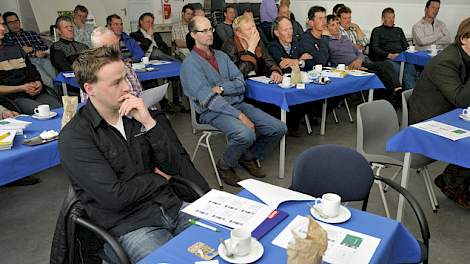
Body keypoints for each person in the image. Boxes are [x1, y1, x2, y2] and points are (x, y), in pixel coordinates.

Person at [60, 46, 210, 263]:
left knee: (228, 246)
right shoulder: (76, 137)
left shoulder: (137, 116)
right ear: (89, 89)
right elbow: (115, 197)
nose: (127, 87)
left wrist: (149, 123)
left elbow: (176, 168)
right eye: (116, 83)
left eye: (126, 78)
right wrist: (158, 179)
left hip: (172, 207)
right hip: (131, 226)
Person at [181, 16, 287, 186]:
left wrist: (221, 88)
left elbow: (240, 83)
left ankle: (248, 156)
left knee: (279, 128)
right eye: (204, 31)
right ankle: (225, 165)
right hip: (212, 112)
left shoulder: (222, 56)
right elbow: (208, 99)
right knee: (245, 133)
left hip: (236, 103)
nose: (210, 34)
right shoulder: (190, 65)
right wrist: (239, 115)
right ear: (193, 34)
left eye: (211, 29)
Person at [408, 18, 470, 208]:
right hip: (427, 123)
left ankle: (454, 179)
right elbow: (461, 99)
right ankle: (452, 181)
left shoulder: (463, 56)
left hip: (448, 113)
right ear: (464, 39)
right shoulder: (447, 61)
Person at [0, 14, 62, 115]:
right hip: (14, 97)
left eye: (2, 24)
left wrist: (38, 82)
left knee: (60, 109)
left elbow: (32, 70)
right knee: (44, 113)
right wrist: (22, 87)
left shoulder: (15, 48)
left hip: (34, 92)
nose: (2, 28)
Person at [325, 15, 400, 95]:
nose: (336, 27)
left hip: (360, 62)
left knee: (386, 64)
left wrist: (359, 60)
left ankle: (398, 89)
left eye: (337, 23)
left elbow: (359, 52)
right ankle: (391, 97)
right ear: (326, 28)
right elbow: (332, 60)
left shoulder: (345, 38)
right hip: (348, 68)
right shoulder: (327, 42)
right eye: (332, 25)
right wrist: (350, 66)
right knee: (378, 75)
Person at [268, 16, 315, 137]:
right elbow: (284, 67)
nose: (290, 32)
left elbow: (311, 62)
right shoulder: (273, 46)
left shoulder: (296, 42)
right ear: (277, 33)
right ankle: (289, 123)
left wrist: (296, 62)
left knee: (311, 95)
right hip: (283, 85)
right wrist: (299, 60)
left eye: (291, 28)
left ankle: (293, 122)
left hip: (298, 82)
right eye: (285, 30)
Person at [221, 15, 283, 83]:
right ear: (239, 33)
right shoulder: (229, 46)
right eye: (249, 29)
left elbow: (268, 60)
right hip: (239, 86)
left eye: (254, 27)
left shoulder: (258, 42)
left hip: (258, 82)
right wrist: (251, 50)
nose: (254, 31)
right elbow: (237, 74)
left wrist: (274, 71)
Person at [3, 11, 56, 88]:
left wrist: (32, 49)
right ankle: (56, 99)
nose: (14, 24)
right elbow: (13, 56)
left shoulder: (31, 33)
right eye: (10, 22)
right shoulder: (6, 38)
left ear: (19, 22)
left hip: (42, 59)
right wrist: (32, 52)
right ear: (6, 25)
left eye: (16, 21)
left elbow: (44, 47)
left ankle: (64, 97)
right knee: (47, 81)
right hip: (28, 62)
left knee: (57, 79)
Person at [370, 8, 417, 90]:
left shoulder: (398, 30)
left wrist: (410, 52)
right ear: (383, 18)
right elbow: (375, 48)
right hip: (388, 59)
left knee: (410, 68)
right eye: (389, 17)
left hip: (402, 58)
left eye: (393, 17)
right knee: (399, 70)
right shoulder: (377, 31)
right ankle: (404, 95)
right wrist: (389, 55)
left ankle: (412, 94)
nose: (391, 20)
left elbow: (406, 46)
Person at [91, 26, 143, 97]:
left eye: (116, 45)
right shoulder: (91, 73)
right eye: (110, 47)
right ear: (97, 50)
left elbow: (139, 91)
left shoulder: (126, 66)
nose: (116, 50)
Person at [299, 6, 330, 70]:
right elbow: (321, 62)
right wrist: (324, 38)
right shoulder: (305, 39)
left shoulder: (325, 37)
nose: (324, 21)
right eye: (320, 18)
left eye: (325, 18)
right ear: (311, 23)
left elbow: (331, 58)